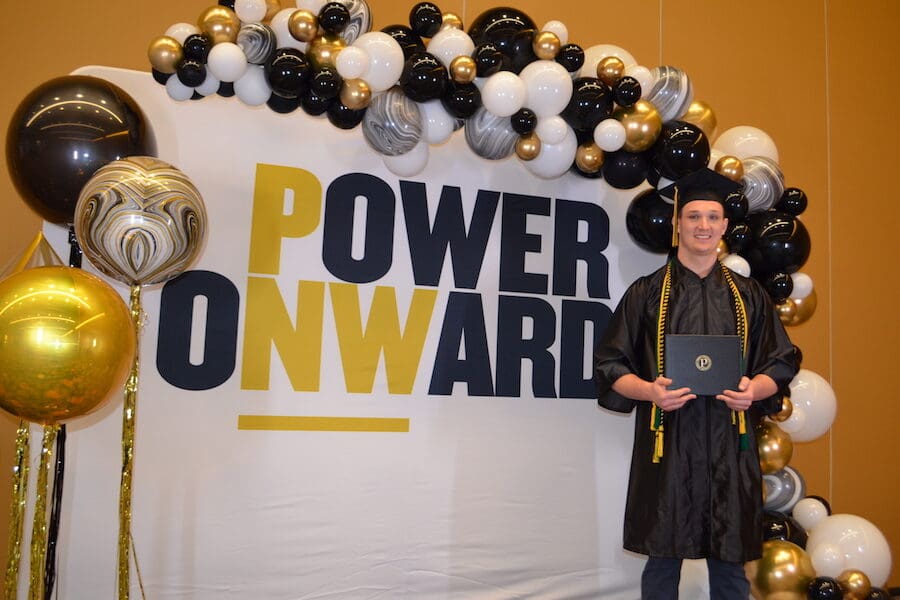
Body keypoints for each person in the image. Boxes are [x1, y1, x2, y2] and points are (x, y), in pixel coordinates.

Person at [594, 168, 797, 599]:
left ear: (724, 226)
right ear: (678, 223)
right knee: (662, 564)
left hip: (730, 447)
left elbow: (780, 361)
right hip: (669, 446)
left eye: (712, 217)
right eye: (693, 216)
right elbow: (610, 364)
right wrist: (650, 391)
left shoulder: (749, 296)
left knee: (730, 570)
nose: (703, 225)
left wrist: (753, 391)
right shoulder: (647, 293)